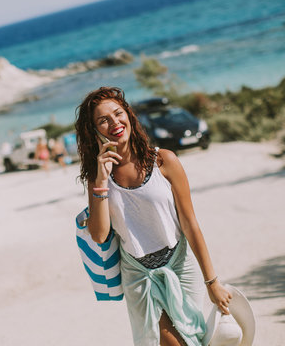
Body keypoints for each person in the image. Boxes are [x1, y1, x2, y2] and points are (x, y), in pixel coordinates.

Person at [75, 87, 232, 346]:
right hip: (138, 274)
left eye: (118, 113)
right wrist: (101, 179)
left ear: (129, 115)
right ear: (94, 131)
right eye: (103, 120)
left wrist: (212, 282)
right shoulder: (99, 177)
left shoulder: (164, 161)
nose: (114, 123)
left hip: (180, 265)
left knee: (194, 339)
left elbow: (190, 224)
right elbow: (99, 234)